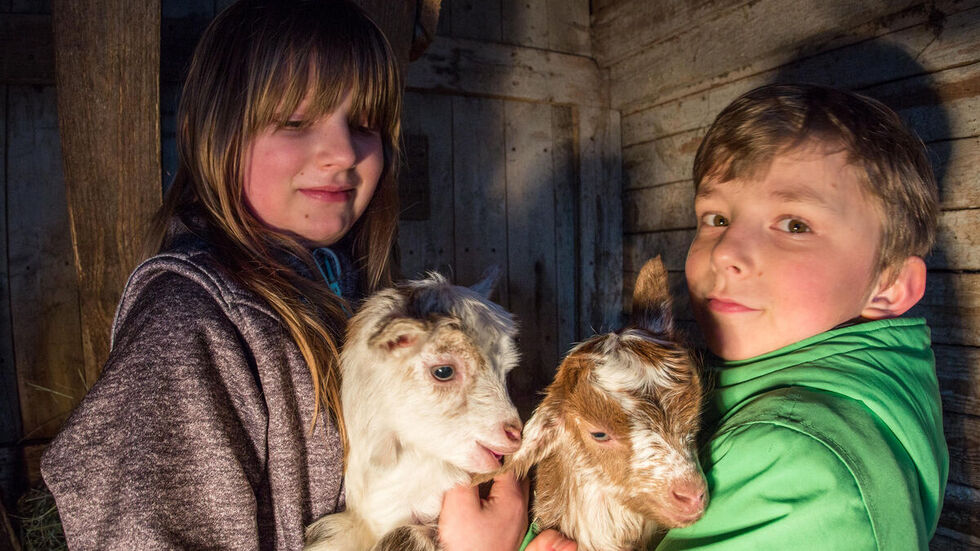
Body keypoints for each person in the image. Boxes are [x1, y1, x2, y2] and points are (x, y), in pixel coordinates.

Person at [40, 1, 531, 549]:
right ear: (216, 134)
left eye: (364, 125)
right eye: (296, 123)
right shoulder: (188, 332)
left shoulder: (353, 297)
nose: (343, 151)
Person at [651, 84, 949, 549]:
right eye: (717, 219)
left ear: (889, 286)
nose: (726, 252)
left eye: (794, 225)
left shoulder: (800, 465)